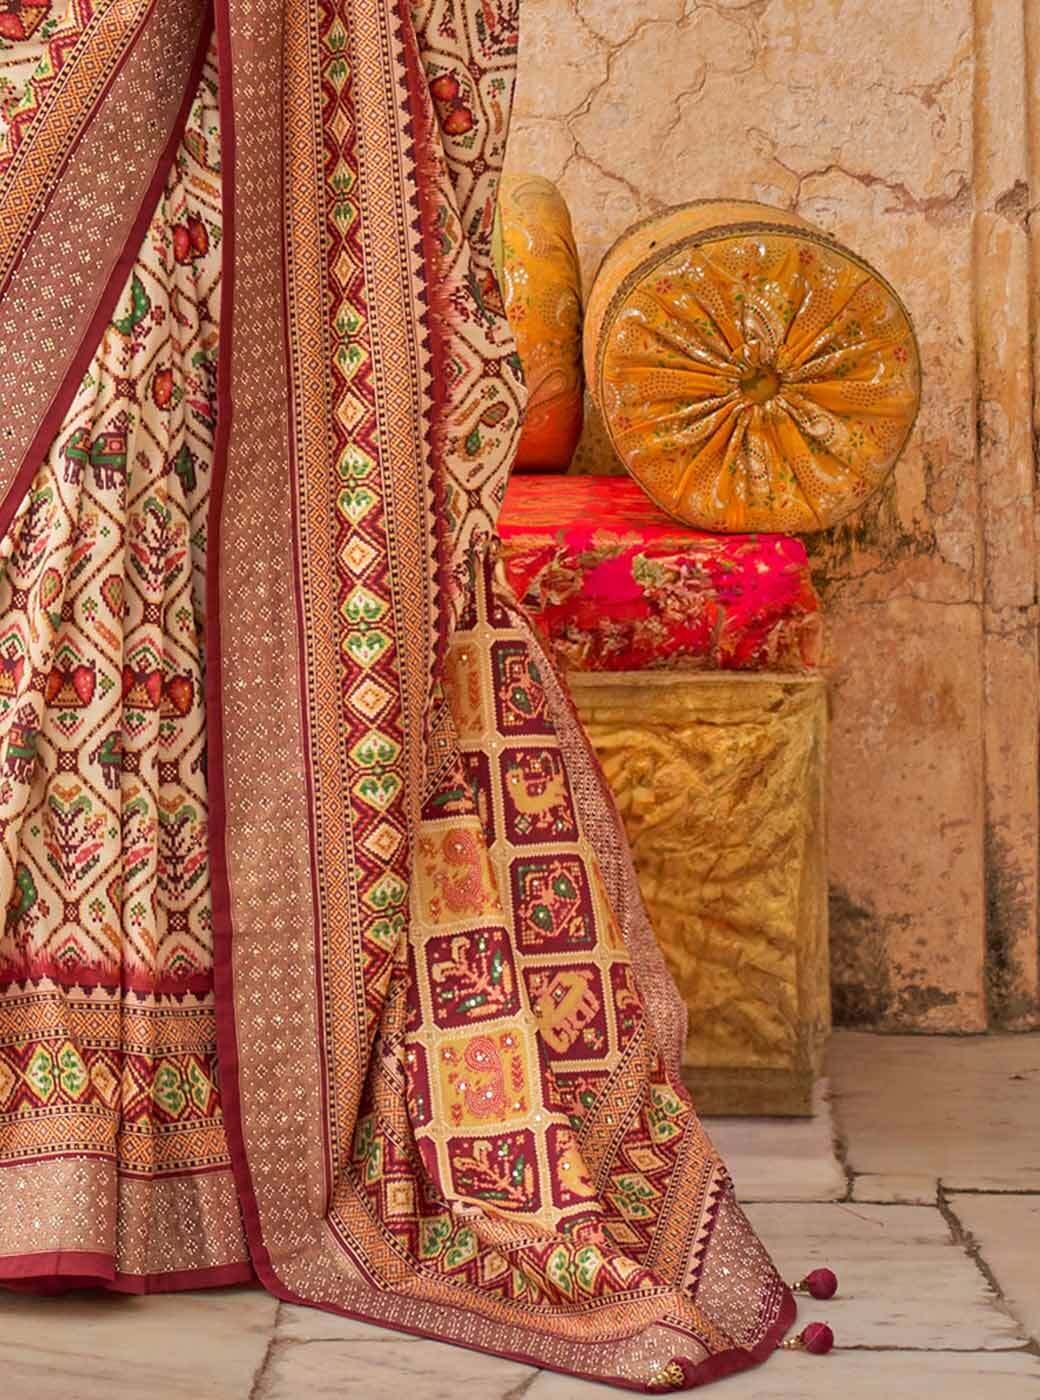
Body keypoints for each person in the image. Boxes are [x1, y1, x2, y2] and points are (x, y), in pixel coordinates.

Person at [0, 1, 824, 1387]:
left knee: (164, 552)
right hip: (94, 125)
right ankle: (62, 1151)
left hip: (260, 199)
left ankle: (179, 1154)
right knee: (77, 570)